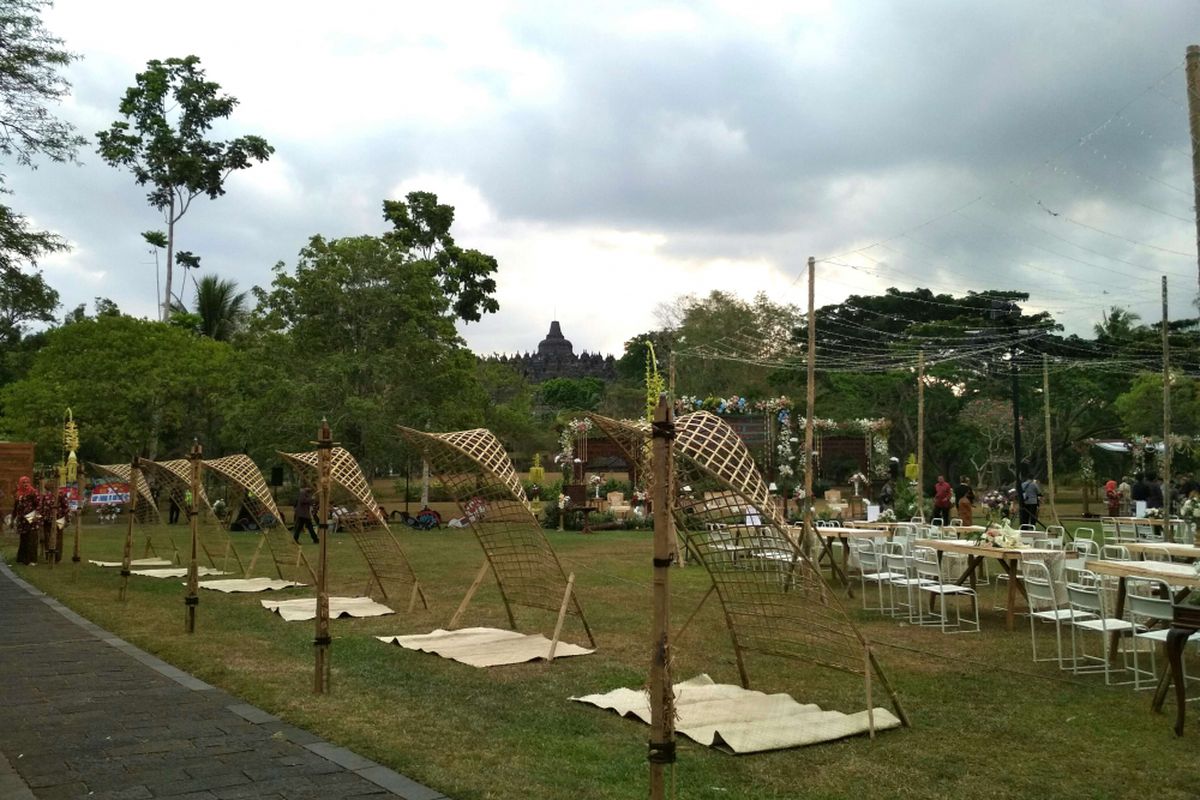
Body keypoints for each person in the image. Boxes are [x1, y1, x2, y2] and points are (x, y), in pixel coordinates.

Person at [11, 476, 39, 565]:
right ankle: (22, 559)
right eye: (23, 482)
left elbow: (39, 505)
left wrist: (35, 517)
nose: (25, 484)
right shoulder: (18, 494)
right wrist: (13, 519)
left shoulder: (33, 492)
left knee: (32, 539)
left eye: (27, 482)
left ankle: (32, 560)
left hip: (32, 519)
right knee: (24, 539)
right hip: (22, 520)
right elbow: (15, 508)